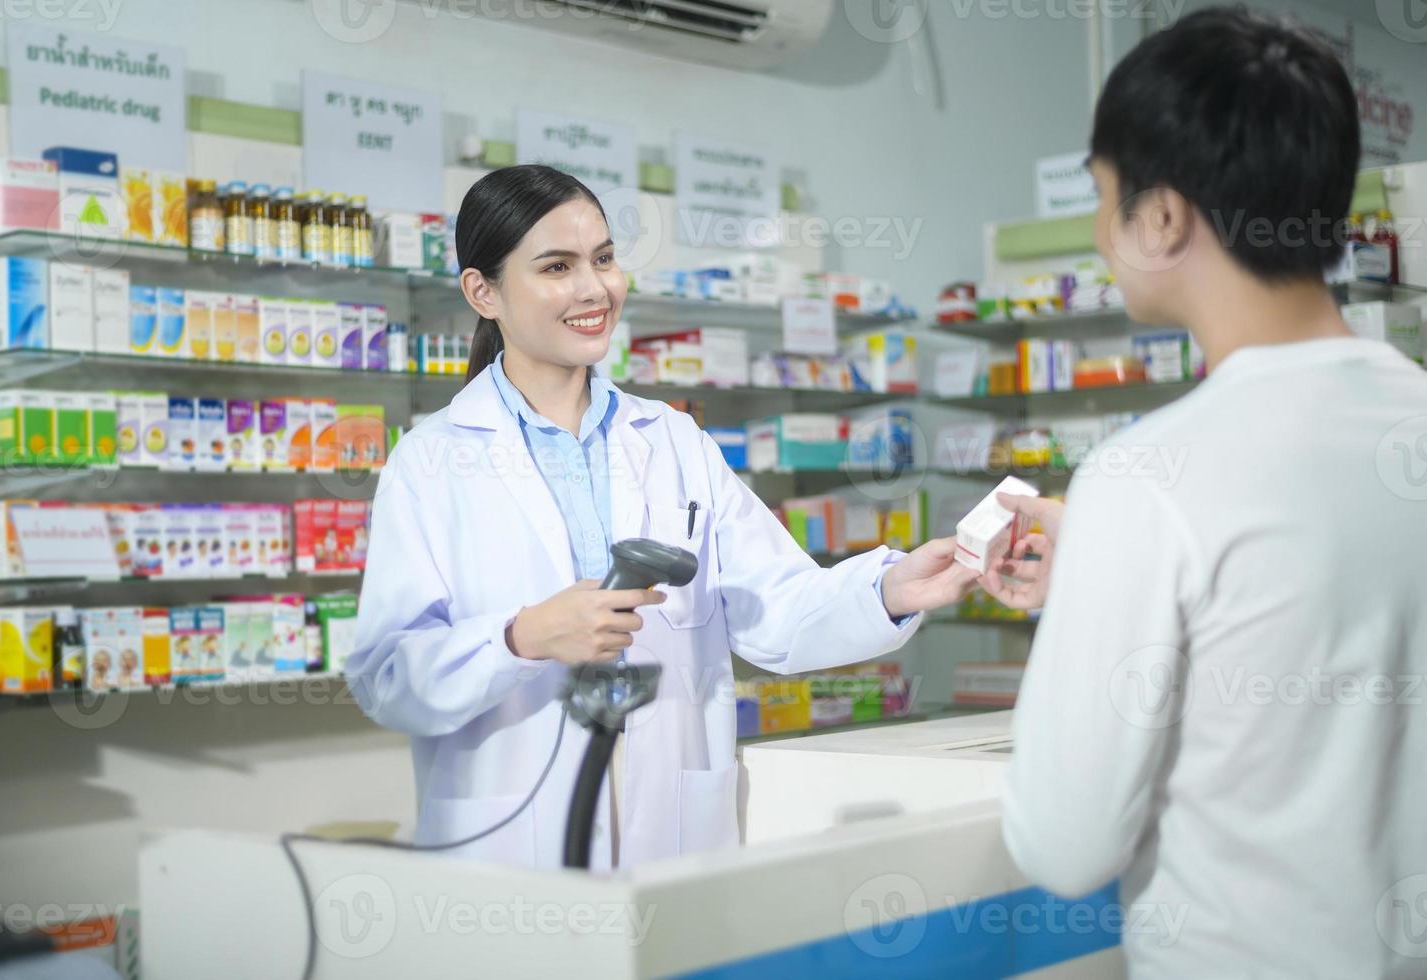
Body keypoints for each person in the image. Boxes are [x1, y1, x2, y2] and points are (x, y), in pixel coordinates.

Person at [347, 164, 980, 870]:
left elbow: (773, 607)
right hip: (513, 831)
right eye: (556, 266)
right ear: (482, 291)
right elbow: (386, 678)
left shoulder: (672, 440)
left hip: (670, 816)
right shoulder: (431, 461)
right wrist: (519, 637)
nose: (594, 289)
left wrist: (891, 590)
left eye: (605, 259)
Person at [982, 9, 1427, 977]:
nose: (1103, 232)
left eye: (1106, 198)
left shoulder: (1145, 479)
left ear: (1164, 215)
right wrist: (1101, 557)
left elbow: (1066, 845)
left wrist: (1112, 557)